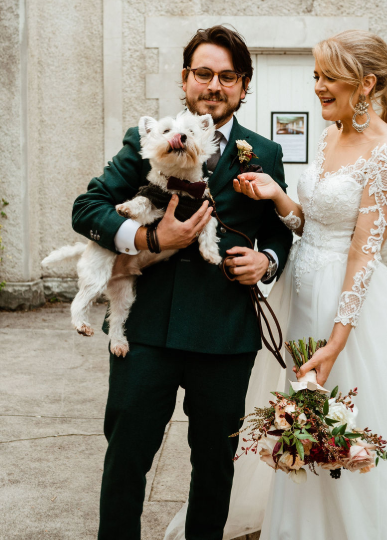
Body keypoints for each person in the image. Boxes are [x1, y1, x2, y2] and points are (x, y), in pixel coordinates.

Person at [166, 29, 387, 539]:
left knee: (350, 419)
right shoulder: (331, 133)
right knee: (302, 422)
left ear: (364, 84)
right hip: (301, 290)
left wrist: (337, 341)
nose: (318, 87)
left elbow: (363, 256)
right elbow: (312, 224)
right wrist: (277, 196)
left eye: (329, 78)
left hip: (350, 309)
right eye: (316, 76)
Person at [71, 25, 293, 540]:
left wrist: (267, 263)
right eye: (203, 73)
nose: (214, 85)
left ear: (244, 84)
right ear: (185, 78)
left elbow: (282, 235)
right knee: (126, 457)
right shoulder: (144, 139)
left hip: (224, 335)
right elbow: (87, 209)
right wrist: (149, 238)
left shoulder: (263, 152)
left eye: (227, 76)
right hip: (145, 331)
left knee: (215, 466)